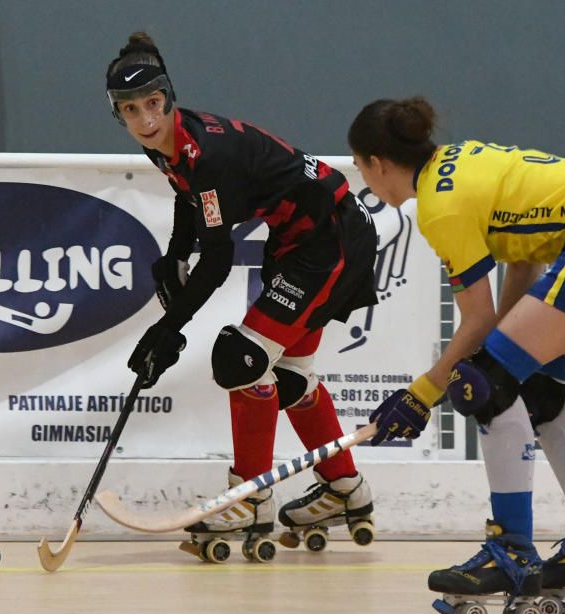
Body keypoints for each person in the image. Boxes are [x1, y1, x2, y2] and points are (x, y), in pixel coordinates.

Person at [350, 97, 565, 614]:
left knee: (487, 386)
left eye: (363, 168)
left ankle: (511, 552)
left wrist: (422, 394)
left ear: (377, 163)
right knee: (536, 389)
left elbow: (475, 321)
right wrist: (493, 349)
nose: (369, 182)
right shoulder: (463, 160)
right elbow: (525, 259)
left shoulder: (440, 204)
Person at [107, 33, 379, 561]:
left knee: (241, 358)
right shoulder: (168, 144)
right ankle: (345, 489)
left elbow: (218, 258)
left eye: (153, 104)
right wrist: (172, 254)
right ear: (118, 113)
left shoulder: (205, 154)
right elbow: (192, 205)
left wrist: (169, 329)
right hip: (300, 239)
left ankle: (250, 496)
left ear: (169, 96)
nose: (145, 119)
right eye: (130, 110)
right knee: (291, 378)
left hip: (329, 239)